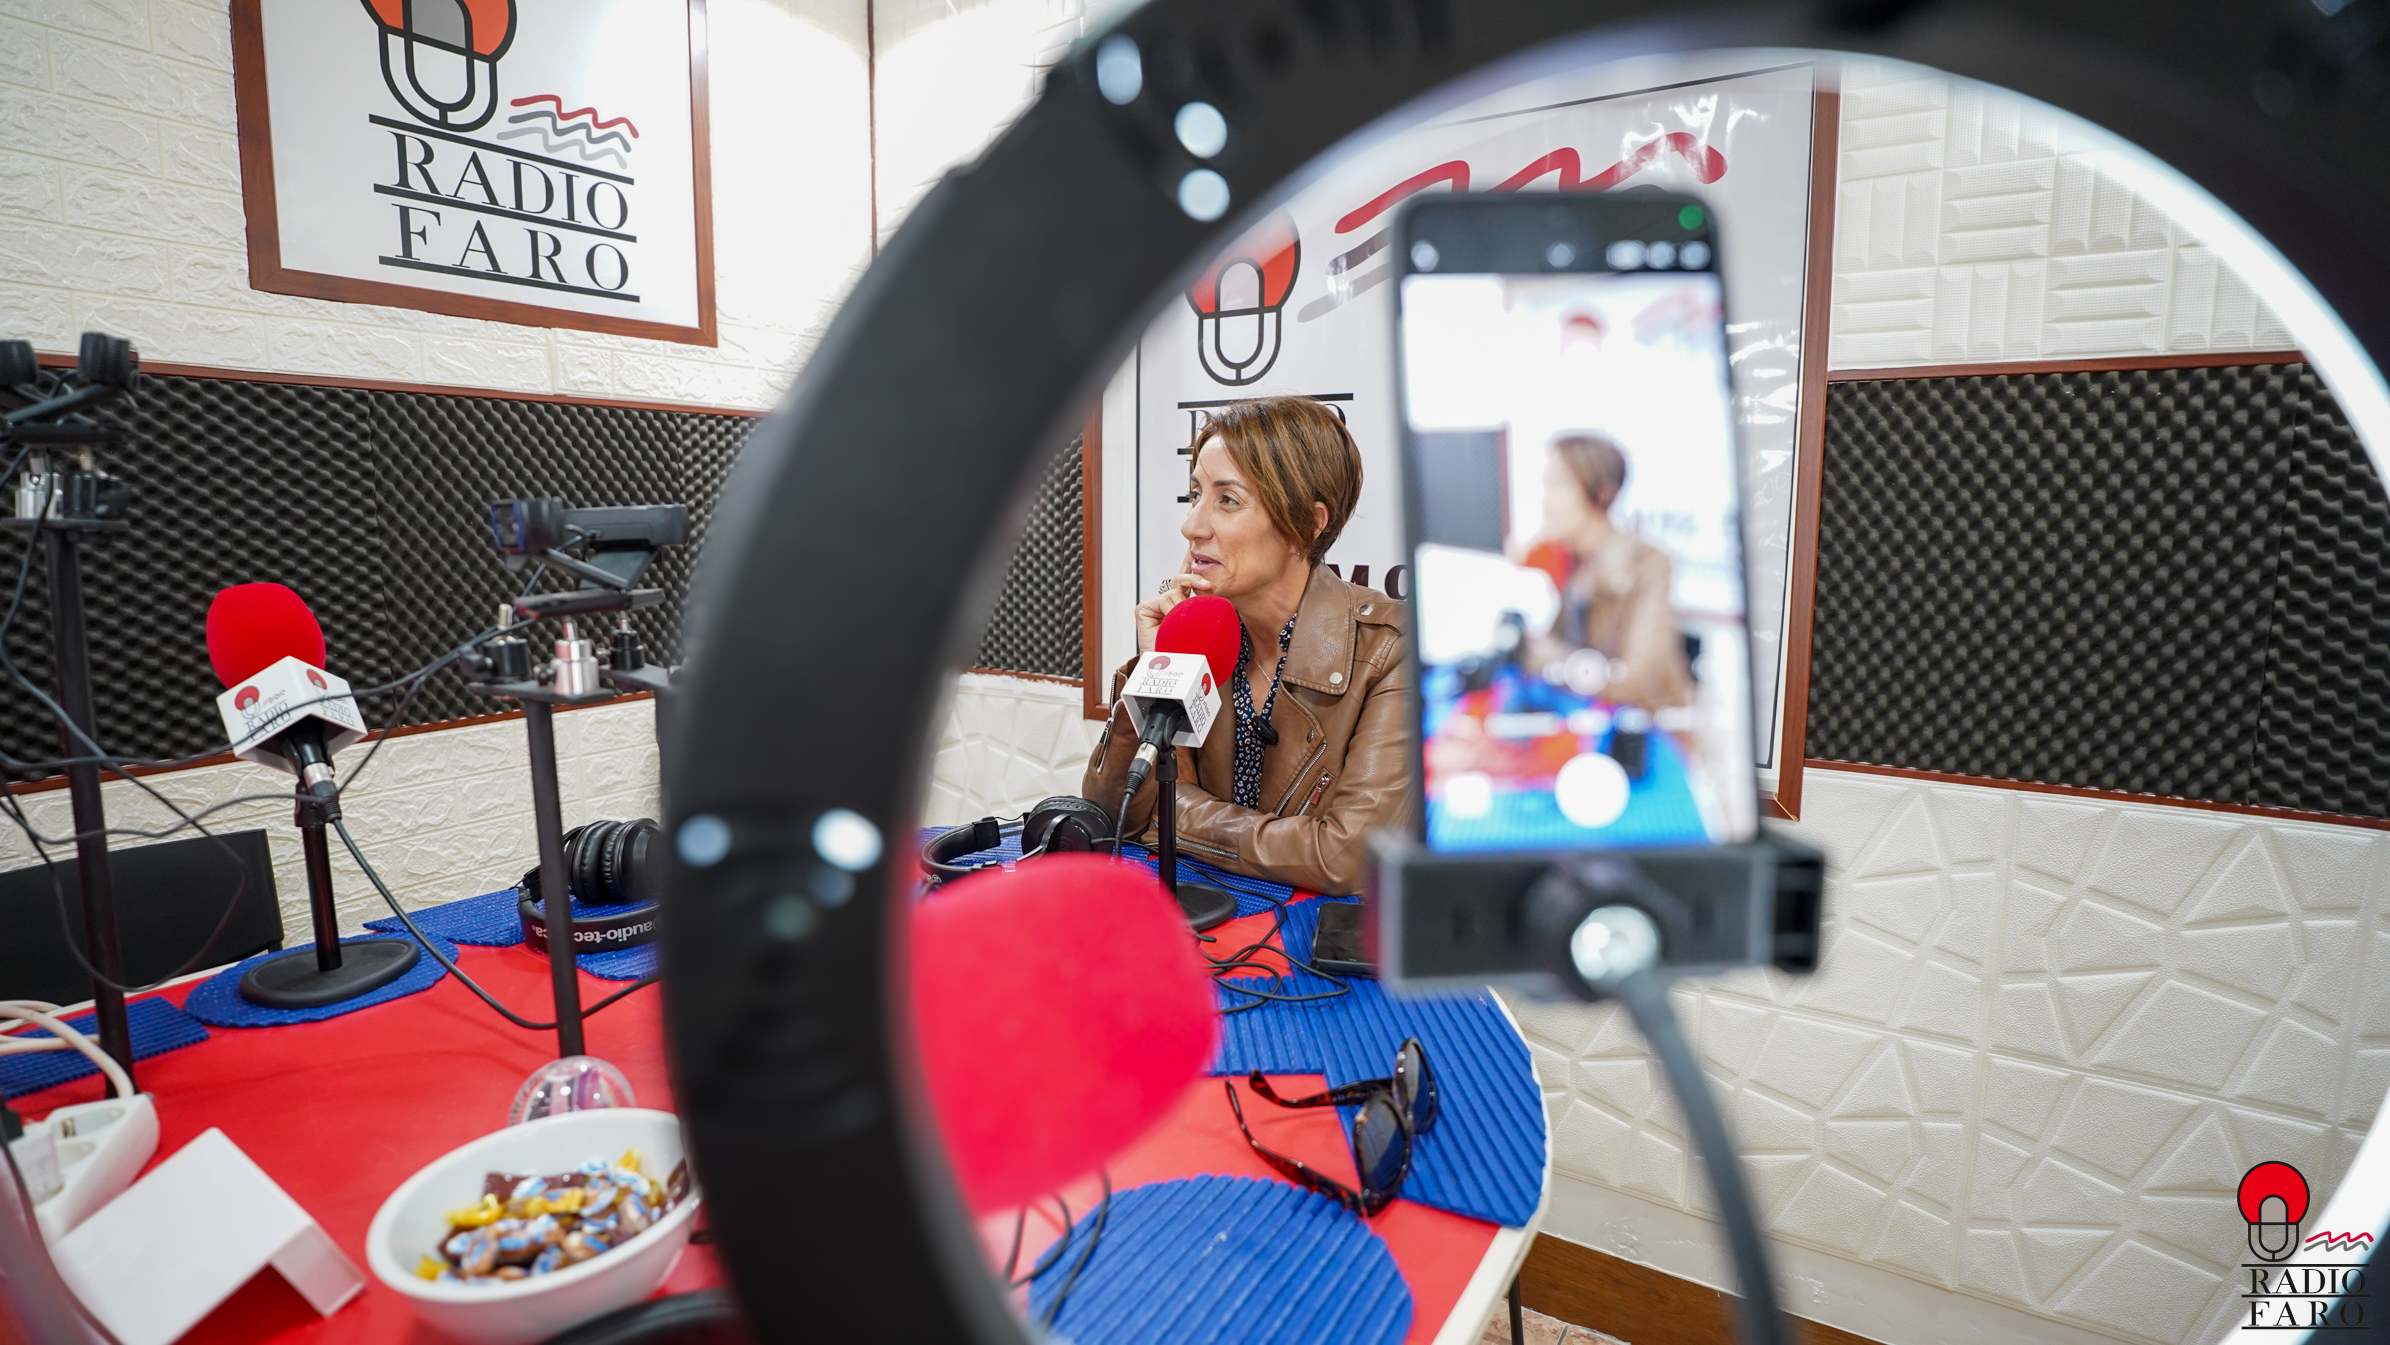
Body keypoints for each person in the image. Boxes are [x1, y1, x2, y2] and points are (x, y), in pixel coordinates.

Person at [1083, 396, 1410, 895]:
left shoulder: (1392, 650)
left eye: (1228, 500)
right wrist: (1158, 669)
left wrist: (1175, 820)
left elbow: (1343, 856)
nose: (1192, 526)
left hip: (1310, 938)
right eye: (1196, 494)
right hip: (1205, 921)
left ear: (1307, 524)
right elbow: (1116, 815)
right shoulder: (1202, 634)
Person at [1520, 432, 1692, 710]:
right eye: (1545, 485)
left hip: (1644, 726)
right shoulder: (1571, 558)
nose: (1546, 501)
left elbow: (1636, 679)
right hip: (1588, 716)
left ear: (1602, 492)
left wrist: (1552, 661)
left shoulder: (1646, 561)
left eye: (1558, 485)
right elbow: (1548, 646)